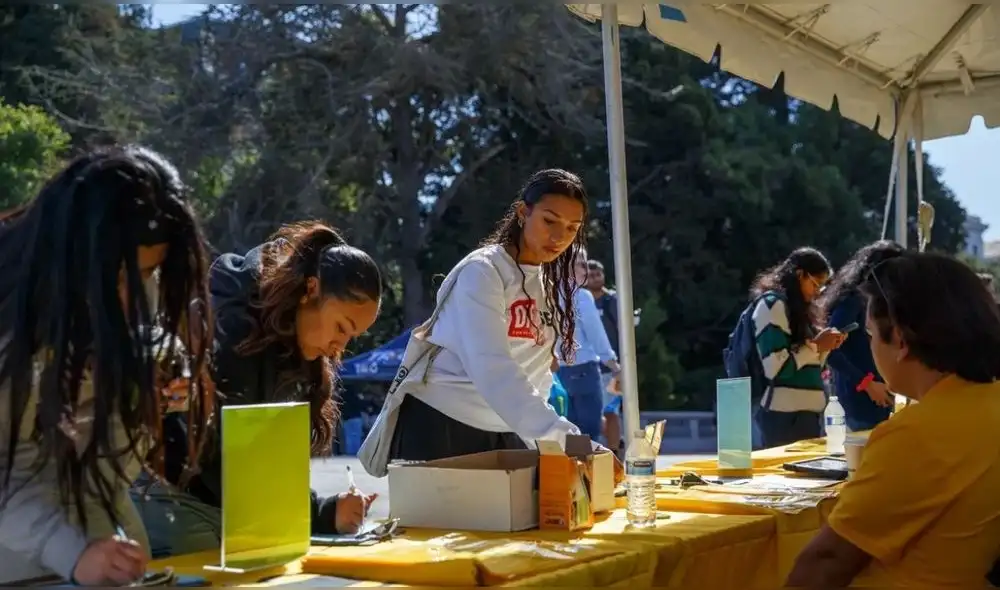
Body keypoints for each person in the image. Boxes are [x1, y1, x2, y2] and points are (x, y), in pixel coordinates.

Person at [0, 145, 213, 585]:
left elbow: (102, 457)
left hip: (91, 551)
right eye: (118, 277)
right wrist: (72, 552)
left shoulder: (133, 284)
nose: (133, 298)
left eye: (149, 274)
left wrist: (149, 384)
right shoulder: (10, 323)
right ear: (73, 248)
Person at [142, 221, 384, 557]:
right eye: (340, 327)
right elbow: (230, 463)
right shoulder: (229, 324)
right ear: (310, 289)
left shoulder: (301, 356)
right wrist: (310, 515)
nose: (338, 346)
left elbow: (262, 467)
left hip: (225, 505)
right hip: (168, 491)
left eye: (350, 337)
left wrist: (327, 511)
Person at [787, 252, 1000, 587]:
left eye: (871, 334)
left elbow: (826, 560)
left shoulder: (916, 434)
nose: (871, 347)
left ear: (900, 339)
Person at [362, 169, 593, 470]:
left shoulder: (545, 286)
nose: (559, 236)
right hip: (443, 426)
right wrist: (567, 440)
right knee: (439, 519)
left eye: (572, 228)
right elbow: (493, 367)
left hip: (507, 429)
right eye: (549, 220)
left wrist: (549, 440)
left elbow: (535, 376)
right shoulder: (482, 272)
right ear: (524, 212)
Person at [751, 247, 845, 448]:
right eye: (814, 284)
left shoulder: (800, 311)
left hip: (808, 416)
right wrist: (817, 345)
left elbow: (808, 366)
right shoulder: (772, 305)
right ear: (799, 274)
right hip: (784, 418)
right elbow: (776, 368)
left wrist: (826, 347)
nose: (816, 293)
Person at [818, 241, 903, 432]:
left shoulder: (878, 301)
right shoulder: (853, 300)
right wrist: (867, 383)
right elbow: (831, 349)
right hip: (858, 401)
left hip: (881, 399)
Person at [555, 248, 620, 441]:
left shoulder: (545, 293)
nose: (586, 270)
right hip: (584, 369)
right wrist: (613, 364)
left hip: (558, 372)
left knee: (567, 433)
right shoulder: (581, 296)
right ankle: (588, 471)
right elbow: (595, 333)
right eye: (581, 264)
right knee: (590, 433)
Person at [586, 259, 627, 456]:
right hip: (587, 366)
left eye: (598, 274)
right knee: (591, 413)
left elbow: (624, 332)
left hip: (611, 369)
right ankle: (601, 448)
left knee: (611, 411)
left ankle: (614, 451)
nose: (595, 278)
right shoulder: (582, 301)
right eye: (590, 275)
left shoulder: (612, 302)